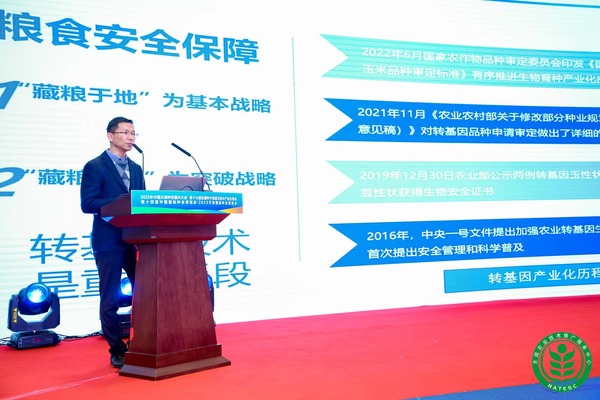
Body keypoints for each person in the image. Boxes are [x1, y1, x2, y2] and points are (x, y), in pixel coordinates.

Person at [80, 116, 146, 368]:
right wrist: (119, 201)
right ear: (110, 135)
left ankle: (144, 340)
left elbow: (141, 204)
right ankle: (117, 349)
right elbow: (88, 203)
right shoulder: (95, 166)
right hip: (108, 240)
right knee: (110, 297)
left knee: (145, 293)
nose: (130, 138)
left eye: (133, 133)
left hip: (135, 240)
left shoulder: (137, 169)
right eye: (125, 132)